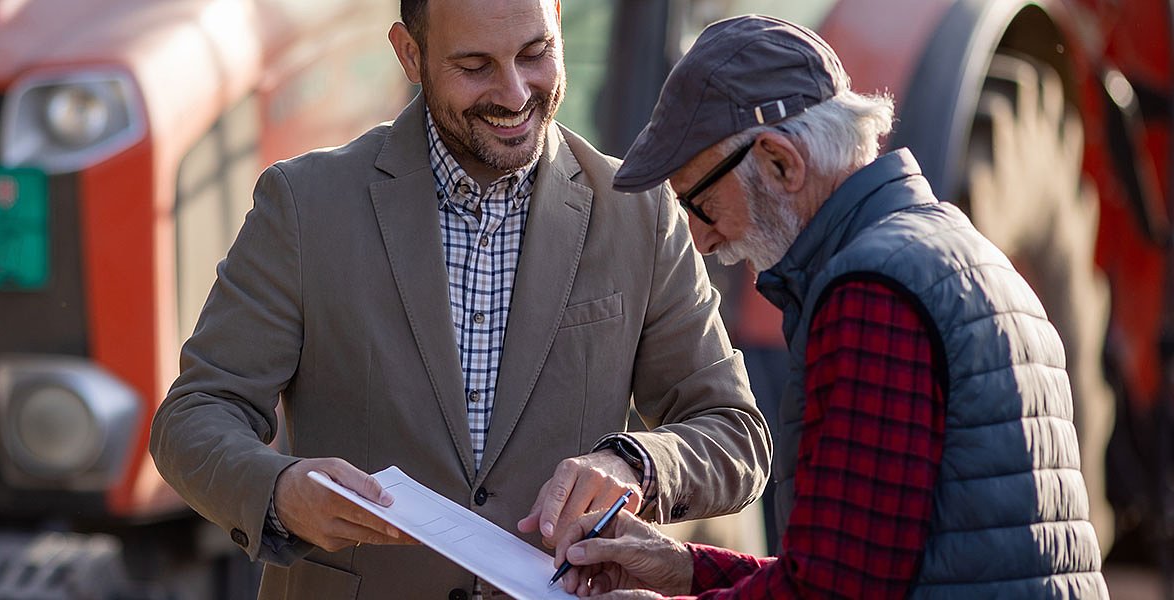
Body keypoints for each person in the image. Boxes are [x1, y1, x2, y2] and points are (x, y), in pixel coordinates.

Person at [148, 1, 772, 597]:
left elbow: (735, 435)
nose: (514, 92)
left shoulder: (640, 213)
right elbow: (195, 415)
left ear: (558, 22)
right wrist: (280, 490)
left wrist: (634, 466)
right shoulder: (304, 205)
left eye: (536, 53)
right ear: (409, 55)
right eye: (474, 67)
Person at [550, 14, 1110, 599]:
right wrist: (684, 568)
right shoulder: (959, 259)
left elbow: (835, 595)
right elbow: (855, 569)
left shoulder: (872, 295)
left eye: (701, 201)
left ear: (781, 162)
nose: (702, 238)